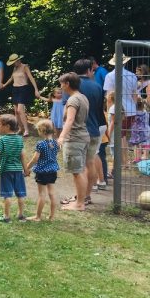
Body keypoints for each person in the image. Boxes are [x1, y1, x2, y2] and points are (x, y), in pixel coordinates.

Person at [71, 58, 106, 198]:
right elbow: (98, 109)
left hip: (78, 131)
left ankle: (79, 198)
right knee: (90, 162)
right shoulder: (97, 86)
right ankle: (87, 196)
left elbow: (68, 112)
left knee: (79, 167)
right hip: (94, 128)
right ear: (89, 70)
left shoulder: (72, 86)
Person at [57, 72, 90, 212]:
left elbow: (70, 120)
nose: (61, 87)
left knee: (77, 172)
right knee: (80, 170)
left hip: (74, 139)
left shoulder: (72, 100)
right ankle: (80, 201)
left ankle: (79, 204)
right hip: (83, 137)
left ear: (67, 84)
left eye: (61, 84)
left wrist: (62, 137)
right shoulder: (83, 97)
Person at [25, 119, 60, 221]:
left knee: (42, 194)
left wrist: (26, 167)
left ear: (42, 131)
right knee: (52, 193)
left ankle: (38, 216)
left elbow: (35, 159)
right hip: (53, 171)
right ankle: (52, 216)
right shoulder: (56, 143)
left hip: (42, 172)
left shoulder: (41, 144)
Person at [103, 53, 138, 153]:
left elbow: (109, 96)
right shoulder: (132, 75)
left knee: (118, 136)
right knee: (123, 135)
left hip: (117, 110)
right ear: (125, 62)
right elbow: (134, 94)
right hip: (131, 110)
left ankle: (121, 161)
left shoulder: (110, 76)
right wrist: (134, 108)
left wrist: (109, 111)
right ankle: (124, 160)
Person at [0, 53, 40, 137]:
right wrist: (4, 85)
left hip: (23, 89)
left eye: (14, 62)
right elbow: (11, 78)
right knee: (16, 111)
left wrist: (36, 90)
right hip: (15, 89)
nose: (13, 64)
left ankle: (26, 130)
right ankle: (20, 128)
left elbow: (31, 78)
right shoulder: (15, 68)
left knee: (20, 110)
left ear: (18, 60)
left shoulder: (25, 66)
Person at [129, 98, 149, 162]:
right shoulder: (146, 113)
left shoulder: (133, 113)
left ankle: (137, 158)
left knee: (137, 144)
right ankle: (145, 156)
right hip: (146, 129)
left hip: (136, 130)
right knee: (146, 143)